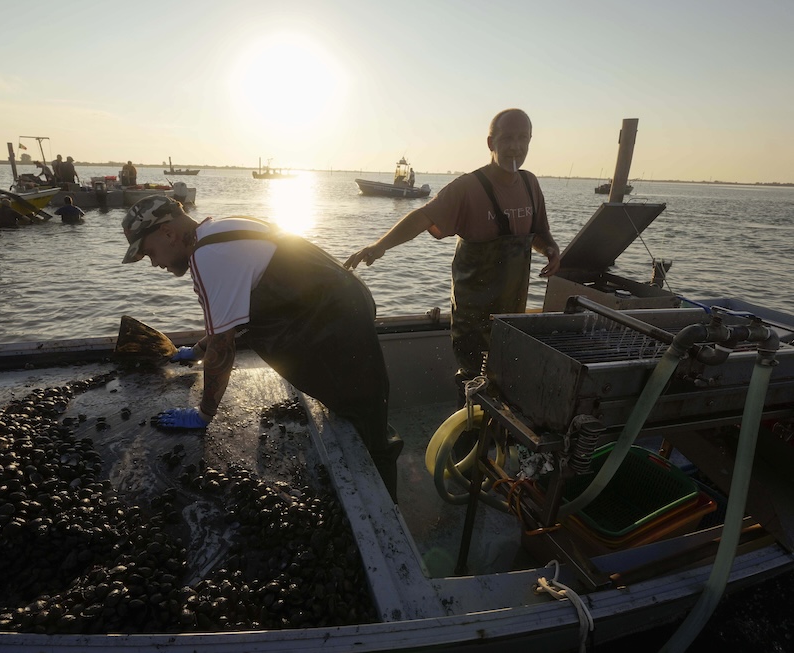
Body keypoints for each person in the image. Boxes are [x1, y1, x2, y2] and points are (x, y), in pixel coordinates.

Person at [121, 196, 403, 501]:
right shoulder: (219, 229)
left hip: (339, 323)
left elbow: (224, 342)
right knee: (357, 408)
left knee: (370, 427)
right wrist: (197, 350)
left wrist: (203, 414)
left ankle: (386, 512)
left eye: (149, 253)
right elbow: (227, 323)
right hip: (344, 300)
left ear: (167, 232)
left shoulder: (207, 258)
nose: (155, 263)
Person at [345, 108, 561, 401]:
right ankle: (465, 441)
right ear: (490, 143)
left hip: (512, 314)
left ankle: (493, 440)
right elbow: (421, 218)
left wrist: (550, 249)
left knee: (505, 383)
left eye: (523, 138)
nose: (516, 146)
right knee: (473, 384)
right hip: (473, 315)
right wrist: (379, 246)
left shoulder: (530, 183)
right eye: (507, 138)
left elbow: (539, 233)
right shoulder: (468, 188)